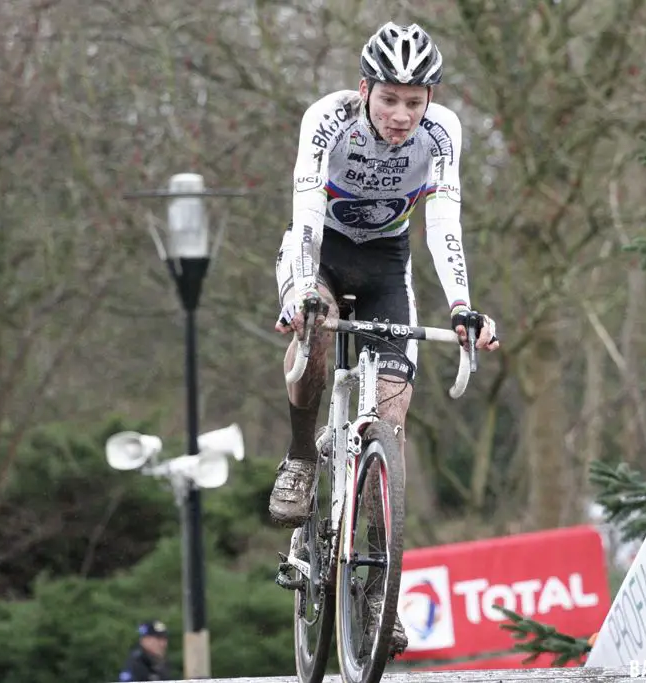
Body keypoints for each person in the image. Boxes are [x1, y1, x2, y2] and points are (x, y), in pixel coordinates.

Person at [269, 21, 500, 656]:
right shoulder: (327, 120)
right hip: (319, 252)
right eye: (390, 98)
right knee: (314, 337)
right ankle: (299, 458)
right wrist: (303, 295)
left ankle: (377, 588)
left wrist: (462, 306)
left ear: (431, 100)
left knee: (390, 423)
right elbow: (307, 206)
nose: (401, 115)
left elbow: (443, 219)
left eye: (415, 101)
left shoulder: (443, 133)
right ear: (364, 88)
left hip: (385, 264)